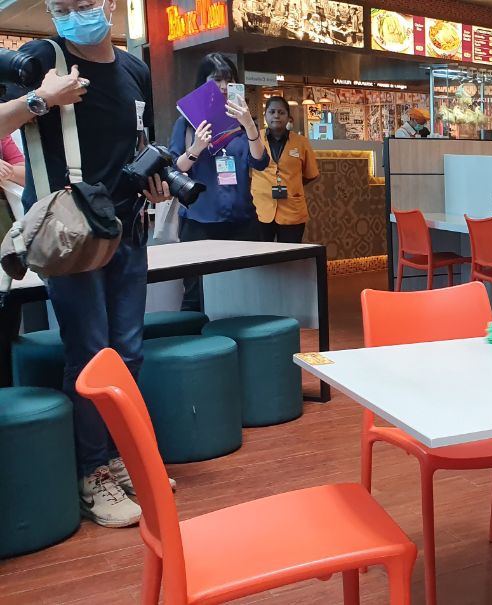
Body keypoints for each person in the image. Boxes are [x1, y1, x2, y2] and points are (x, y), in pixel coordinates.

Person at [0, 0, 171, 528]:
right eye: (62, 6)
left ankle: (119, 455)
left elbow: (137, 141)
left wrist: (154, 180)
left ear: (111, 5)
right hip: (67, 233)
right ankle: (92, 470)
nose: (75, 13)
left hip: (127, 225)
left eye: (85, 3)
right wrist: (39, 99)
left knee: (130, 350)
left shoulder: (134, 68)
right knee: (90, 349)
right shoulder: (38, 58)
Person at [168, 53, 268, 310]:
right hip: (200, 223)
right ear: (203, 83)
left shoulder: (242, 121)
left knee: (247, 291)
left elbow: (260, 161)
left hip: (242, 222)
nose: (223, 87)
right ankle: (195, 347)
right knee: (196, 295)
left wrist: (249, 125)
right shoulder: (187, 122)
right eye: (216, 80)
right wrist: (195, 148)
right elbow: (174, 171)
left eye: (229, 80)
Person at [253, 96, 319, 243]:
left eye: (281, 112)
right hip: (260, 209)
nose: (276, 115)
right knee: (261, 258)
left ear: (288, 117)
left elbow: (311, 174)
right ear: (265, 115)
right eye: (272, 112)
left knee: (290, 258)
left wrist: (292, 184)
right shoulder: (255, 139)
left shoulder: (301, 142)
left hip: (292, 210)